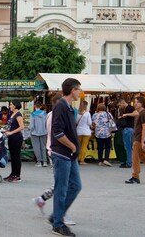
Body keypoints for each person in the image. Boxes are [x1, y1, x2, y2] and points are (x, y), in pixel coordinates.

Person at [49, 79, 81, 237]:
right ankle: (58, 224)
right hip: (62, 153)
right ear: (73, 90)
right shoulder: (61, 106)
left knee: (75, 186)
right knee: (62, 189)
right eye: (79, 89)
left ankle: (57, 214)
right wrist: (72, 146)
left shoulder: (68, 107)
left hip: (69, 155)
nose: (80, 92)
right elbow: (58, 132)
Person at [4, 100, 25, 182]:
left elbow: (22, 126)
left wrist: (11, 132)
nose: (10, 106)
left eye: (11, 104)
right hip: (11, 138)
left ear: (15, 105)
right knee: (12, 156)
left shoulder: (18, 115)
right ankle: (12, 173)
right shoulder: (12, 114)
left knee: (16, 156)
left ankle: (17, 175)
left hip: (16, 138)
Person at [117, 97, 136, 169]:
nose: (120, 107)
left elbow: (136, 113)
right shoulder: (124, 109)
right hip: (126, 129)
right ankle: (128, 160)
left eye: (120, 105)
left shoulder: (130, 108)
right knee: (126, 146)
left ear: (123, 102)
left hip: (128, 129)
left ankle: (129, 162)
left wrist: (126, 114)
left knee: (128, 146)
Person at [28, 102, 48, 167]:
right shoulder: (45, 114)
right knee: (43, 147)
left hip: (34, 133)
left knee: (37, 147)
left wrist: (30, 132)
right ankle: (45, 162)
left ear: (35, 106)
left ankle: (39, 162)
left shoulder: (33, 114)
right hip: (44, 132)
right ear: (41, 106)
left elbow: (32, 126)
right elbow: (46, 124)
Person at [75, 101, 92, 165]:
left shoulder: (77, 113)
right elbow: (89, 123)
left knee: (78, 146)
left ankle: (76, 159)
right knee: (84, 146)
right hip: (86, 131)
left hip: (78, 131)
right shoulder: (87, 113)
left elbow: (76, 122)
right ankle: (82, 160)